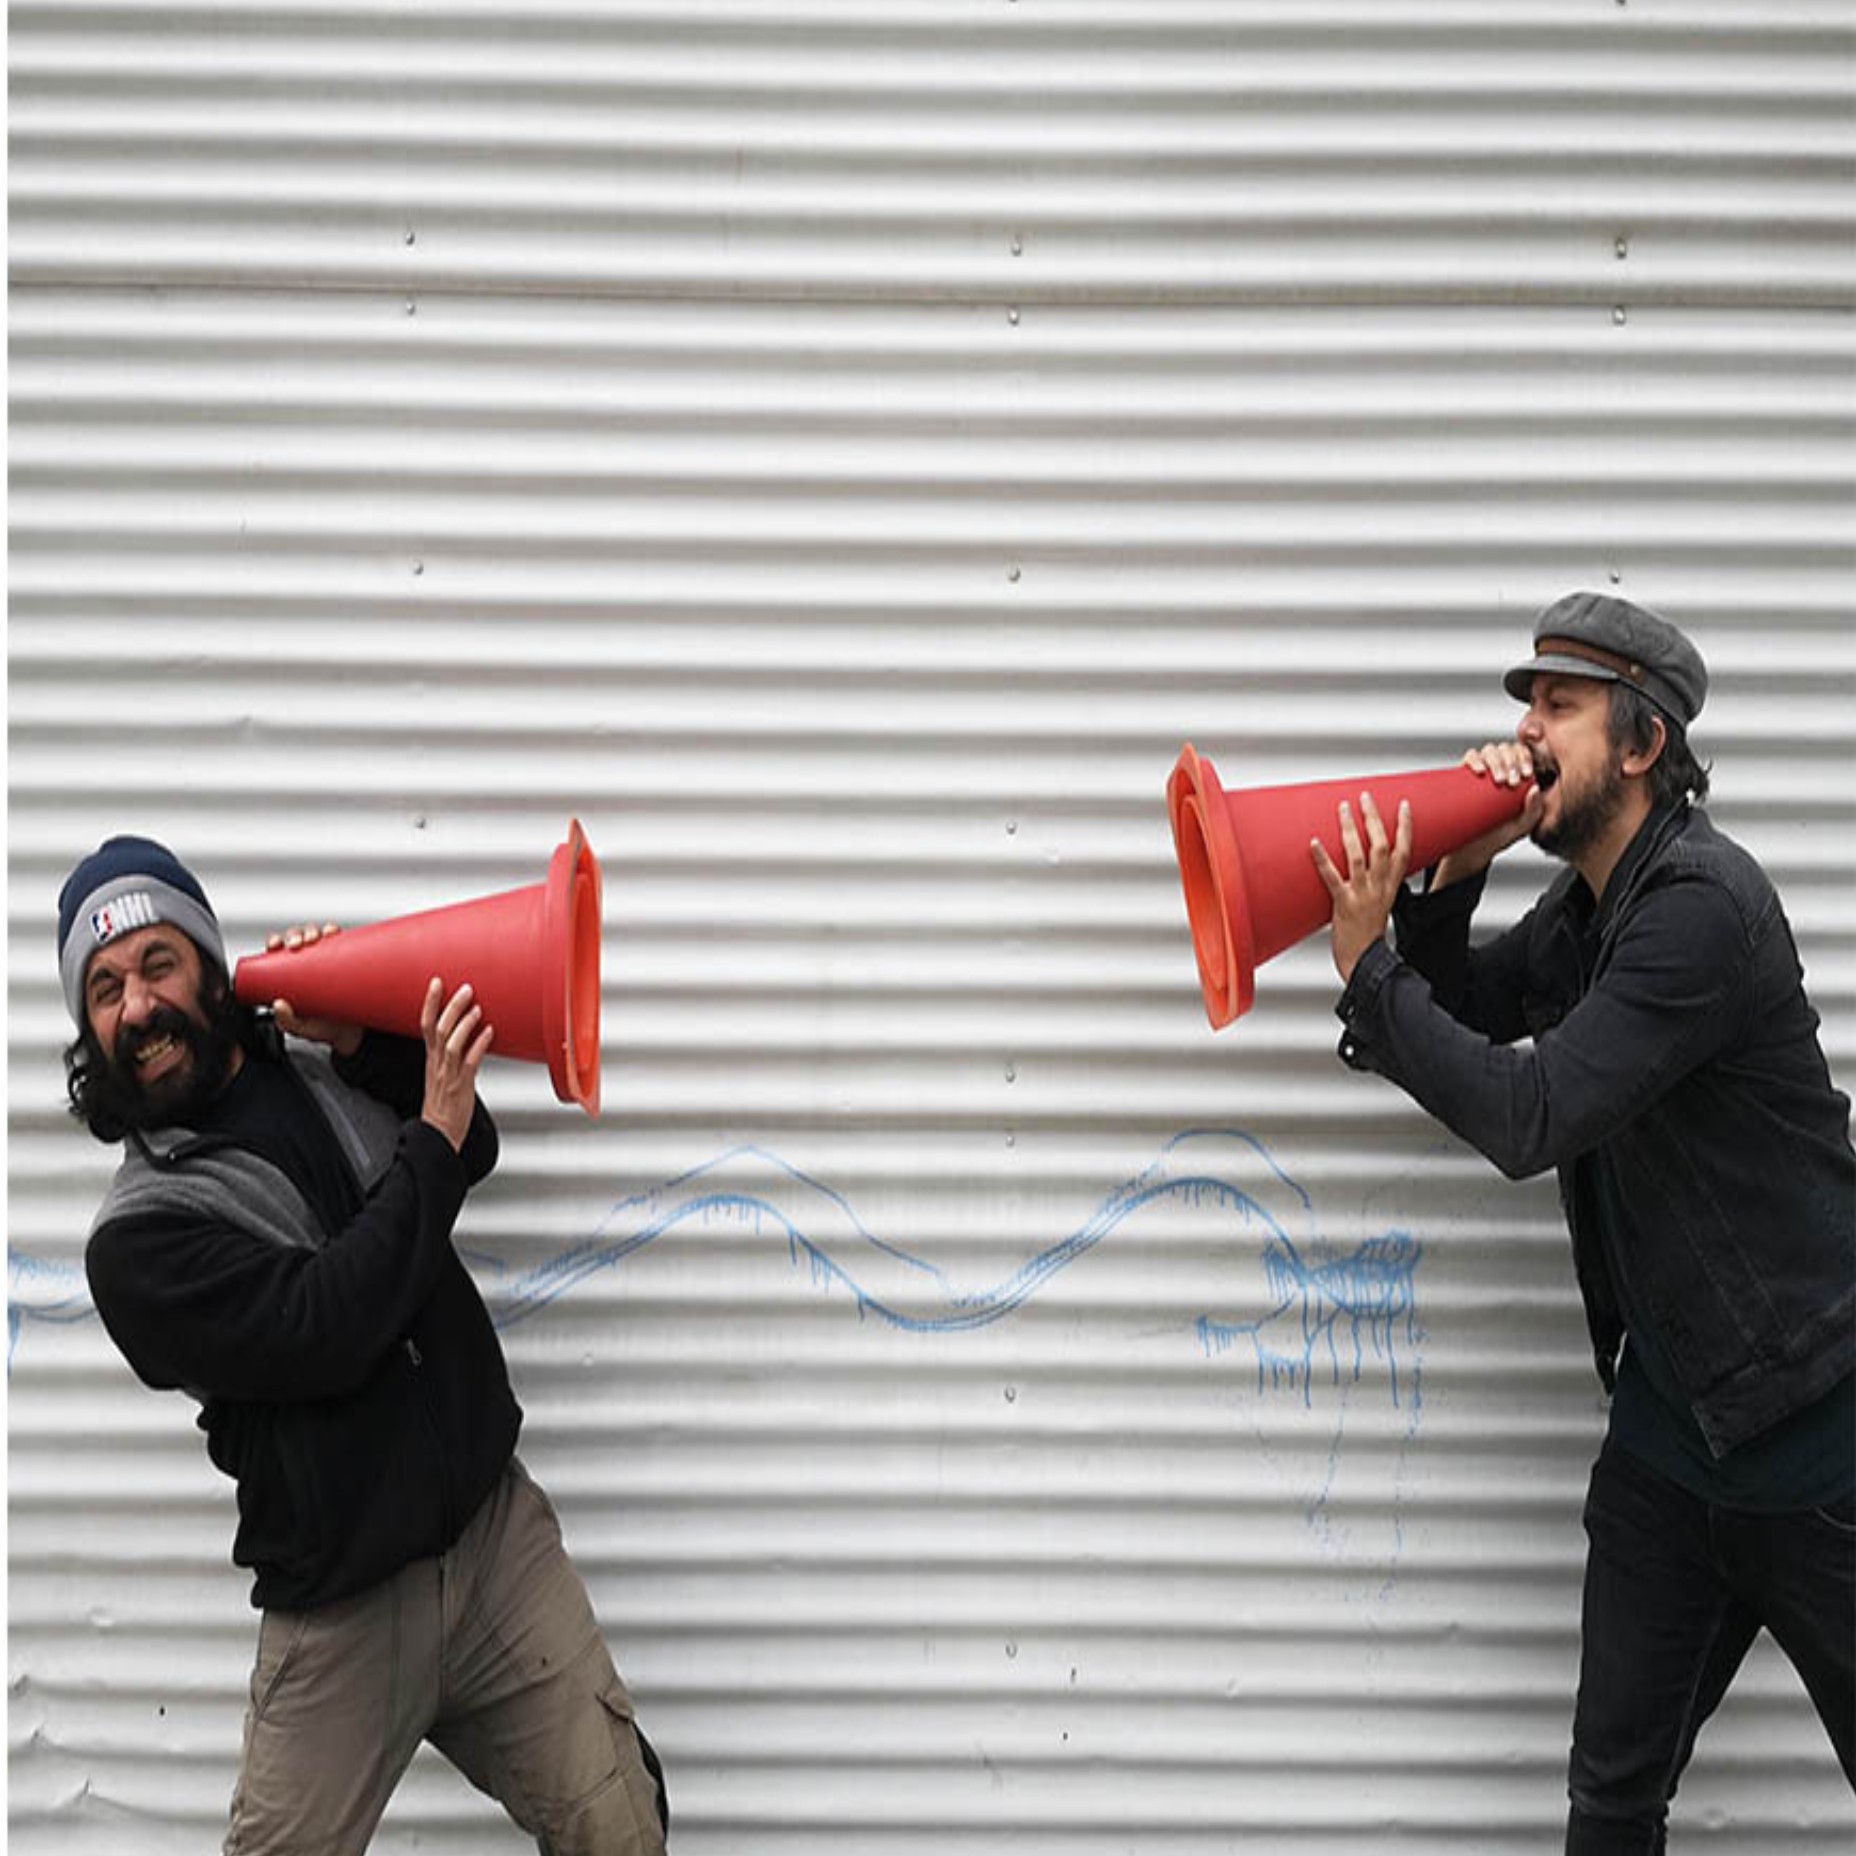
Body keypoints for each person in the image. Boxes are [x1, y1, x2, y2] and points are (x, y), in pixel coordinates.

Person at [1308, 591, 1855, 1852]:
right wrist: (1448, 882)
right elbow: (1472, 1010)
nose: (1524, 728)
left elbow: (1525, 1111)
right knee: (1610, 1799)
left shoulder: (1700, 907)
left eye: (1557, 705)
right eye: (1523, 702)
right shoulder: (1595, 907)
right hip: (1672, 1443)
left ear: (1642, 742)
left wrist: (1362, 969)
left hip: (1819, 1442)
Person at [58, 836, 670, 1855]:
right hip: (342, 1612)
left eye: (158, 963)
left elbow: (465, 1148)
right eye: (105, 988)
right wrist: (426, 1124)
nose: (138, 1007)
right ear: (88, 1027)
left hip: (493, 1545)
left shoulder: (313, 1063)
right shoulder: (136, 1243)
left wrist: (364, 1042)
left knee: (619, 1826)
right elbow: (328, 1326)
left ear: (210, 967)